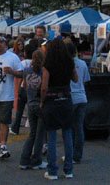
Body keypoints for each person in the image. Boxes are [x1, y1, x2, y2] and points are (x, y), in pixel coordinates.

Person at [40, 39, 78, 180]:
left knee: (52, 136)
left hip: (51, 101)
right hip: (66, 99)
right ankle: (68, 170)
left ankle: (52, 171)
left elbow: (44, 87)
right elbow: (75, 79)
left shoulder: (48, 65)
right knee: (67, 134)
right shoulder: (69, 63)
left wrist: (42, 102)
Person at [9, 49, 47, 170]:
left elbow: (24, 85)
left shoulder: (26, 71)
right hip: (41, 104)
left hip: (30, 104)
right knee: (40, 134)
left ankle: (24, 160)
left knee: (32, 133)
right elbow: (44, 89)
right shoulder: (44, 72)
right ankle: (36, 160)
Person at [67, 41, 90, 163]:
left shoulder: (65, 64)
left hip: (70, 98)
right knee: (79, 127)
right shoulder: (82, 64)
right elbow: (86, 80)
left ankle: (70, 155)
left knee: (69, 128)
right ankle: (77, 155)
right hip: (82, 97)